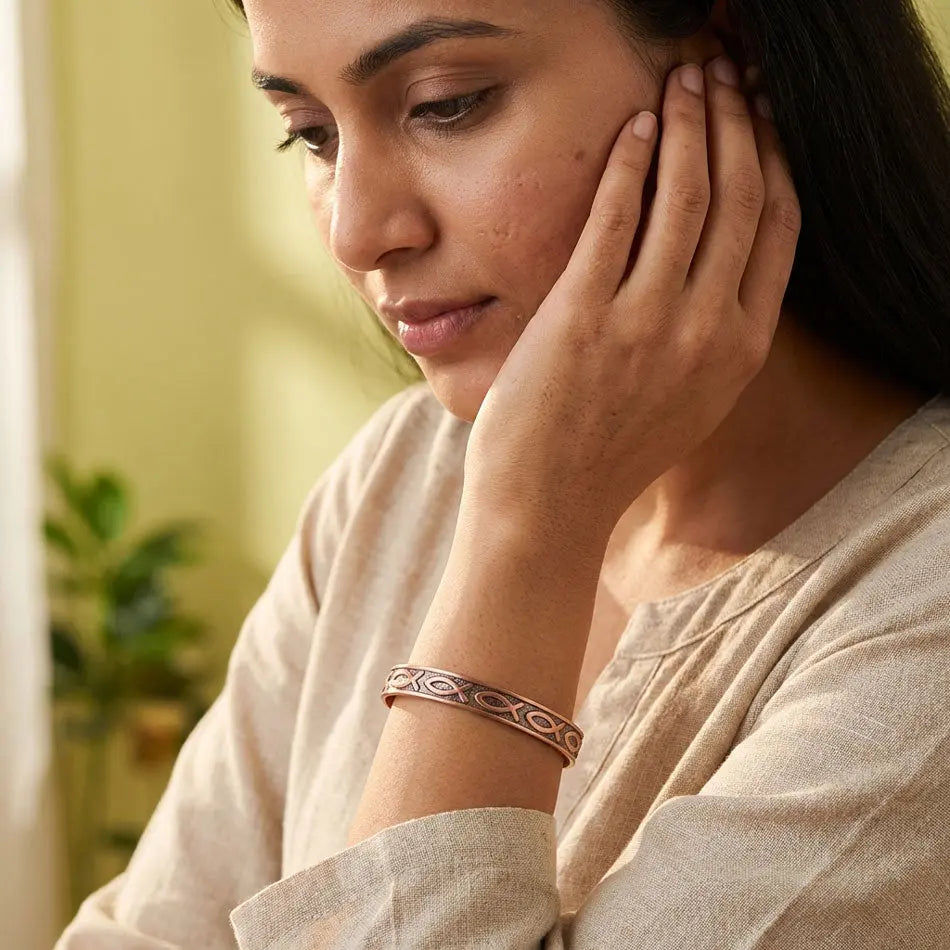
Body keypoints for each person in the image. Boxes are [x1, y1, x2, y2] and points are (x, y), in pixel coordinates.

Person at [56, 0, 950, 946]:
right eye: (309, 135)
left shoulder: (920, 619)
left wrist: (529, 533)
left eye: (448, 103)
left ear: (738, 56)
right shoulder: (405, 473)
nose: (358, 232)